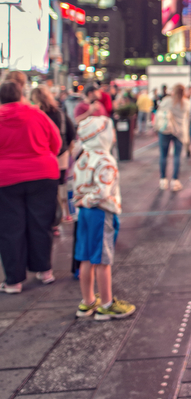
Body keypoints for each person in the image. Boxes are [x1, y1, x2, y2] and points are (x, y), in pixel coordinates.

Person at [0, 79, 60, 292]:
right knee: (41, 224)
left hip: (6, 179)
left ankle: (14, 281)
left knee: (9, 229)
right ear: (21, 94)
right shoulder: (36, 114)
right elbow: (56, 141)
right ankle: (45, 271)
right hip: (43, 174)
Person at [72, 114, 135, 319]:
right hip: (101, 213)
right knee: (102, 260)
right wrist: (90, 200)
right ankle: (107, 305)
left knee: (86, 257)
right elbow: (103, 192)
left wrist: (82, 202)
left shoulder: (82, 157)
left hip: (84, 213)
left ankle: (88, 301)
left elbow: (76, 188)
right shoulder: (105, 160)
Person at [31, 86, 76, 233]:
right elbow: (71, 132)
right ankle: (65, 215)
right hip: (61, 156)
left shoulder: (36, 115)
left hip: (42, 157)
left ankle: (54, 222)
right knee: (60, 186)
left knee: (47, 191)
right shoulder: (60, 113)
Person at [156, 83, 190, 191]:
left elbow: (160, 112)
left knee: (163, 155)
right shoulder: (186, 103)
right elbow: (188, 117)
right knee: (177, 156)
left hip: (166, 130)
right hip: (179, 132)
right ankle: (175, 181)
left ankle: (163, 180)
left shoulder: (167, 101)